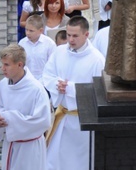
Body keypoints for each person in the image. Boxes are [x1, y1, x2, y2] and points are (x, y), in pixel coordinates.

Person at [43, 17, 106, 170]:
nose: (70, 39)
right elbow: (47, 74)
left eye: (75, 36)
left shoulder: (96, 59)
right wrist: (57, 85)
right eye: (68, 35)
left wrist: (70, 89)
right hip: (62, 116)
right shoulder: (59, 52)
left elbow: (99, 91)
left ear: (86, 34)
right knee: (55, 161)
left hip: (82, 122)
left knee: (79, 163)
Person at [0, 45, 51, 170]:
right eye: (2, 64)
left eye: (7, 65)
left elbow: (43, 121)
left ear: (19, 65)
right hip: (10, 144)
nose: (2, 68)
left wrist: (9, 119)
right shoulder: (3, 84)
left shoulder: (36, 89)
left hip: (30, 148)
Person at [19, 14, 56, 81]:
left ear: (40, 31)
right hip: (26, 81)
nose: (27, 33)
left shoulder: (49, 44)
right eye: (26, 30)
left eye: (31, 31)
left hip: (44, 82)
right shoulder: (22, 43)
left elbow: (53, 65)